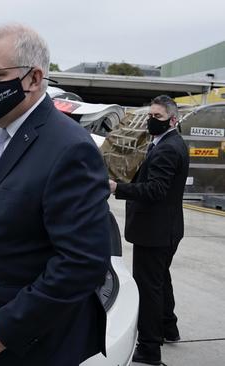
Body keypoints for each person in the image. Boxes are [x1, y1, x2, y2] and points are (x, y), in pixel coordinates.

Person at [0, 23, 111, 366]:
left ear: (34, 79)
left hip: (28, 345)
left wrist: (8, 327)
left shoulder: (69, 149)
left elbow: (83, 263)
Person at [109, 95, 189, 365]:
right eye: (150, 116)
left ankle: (149, 349)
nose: (151, 121)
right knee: (160, 280)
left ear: (173, 120)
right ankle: (169, 328)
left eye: (157, 117)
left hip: (154, 232)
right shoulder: (168, 142)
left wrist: (116, 188)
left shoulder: (168, 148)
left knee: (148, 287)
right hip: (165, 229)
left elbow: (155, 190)